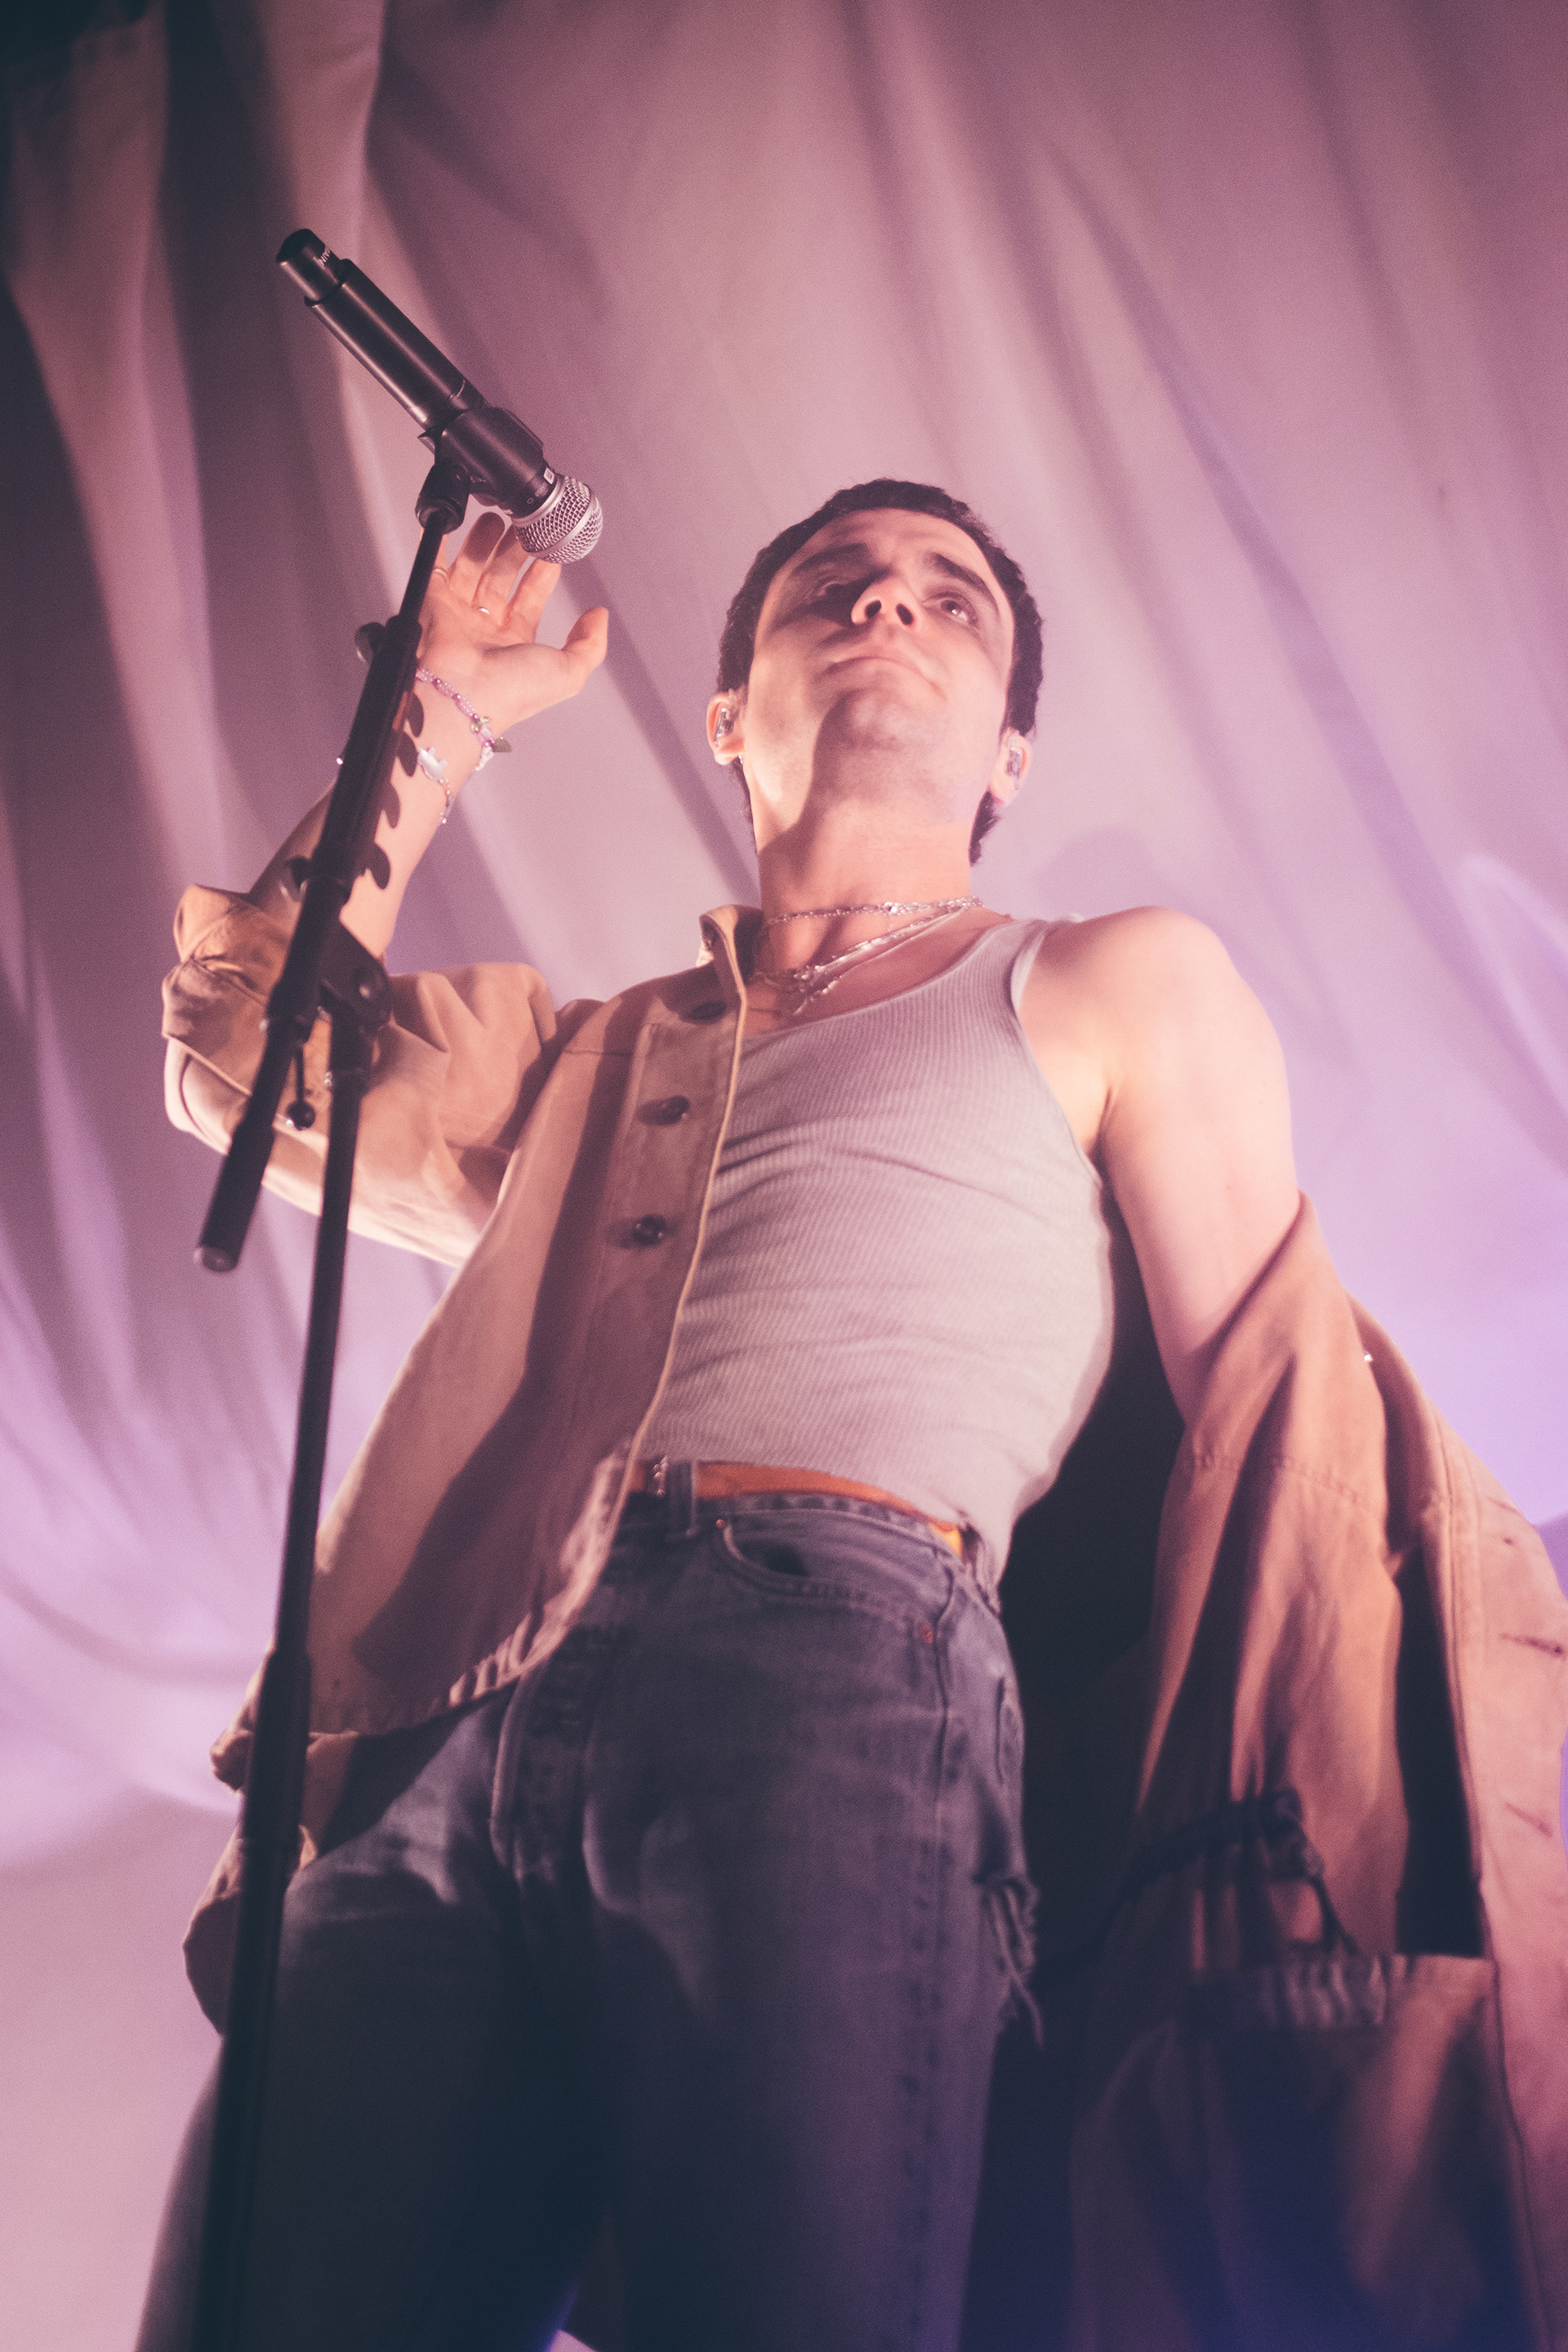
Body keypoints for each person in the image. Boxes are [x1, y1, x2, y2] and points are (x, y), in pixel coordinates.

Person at [140, 483, 1568, 2352]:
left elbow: (1272, 1440)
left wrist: (1290, 1861)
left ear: (1010, 755)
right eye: (838, 583)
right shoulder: (594, 1057)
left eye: (952, 599)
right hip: (447, 1696)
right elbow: (243, 1061)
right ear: (730, 714)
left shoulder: (1106, 979)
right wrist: (434, 708)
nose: (893, 606)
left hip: (836, 1657)